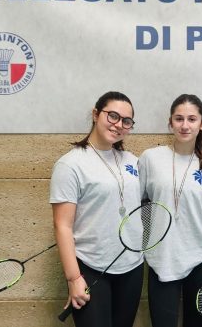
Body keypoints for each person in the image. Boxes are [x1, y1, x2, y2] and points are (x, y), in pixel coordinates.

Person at [50, 91, 143, 327]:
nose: (118, 124)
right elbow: (62, 225)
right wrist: (74, 278)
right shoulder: (70, 164)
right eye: (112, 116)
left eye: (126, 121)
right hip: (91, 266)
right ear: (95, 114)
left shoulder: (133, 161)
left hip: (132, 266)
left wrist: (201, 154)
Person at [138, 94, 202, 327]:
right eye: (179, 118)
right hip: (162, 255)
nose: (185, 125)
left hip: (201, 255)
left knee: (195, 323)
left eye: (192, 119)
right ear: (170, 122)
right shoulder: (150, 158)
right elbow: (139, 203)